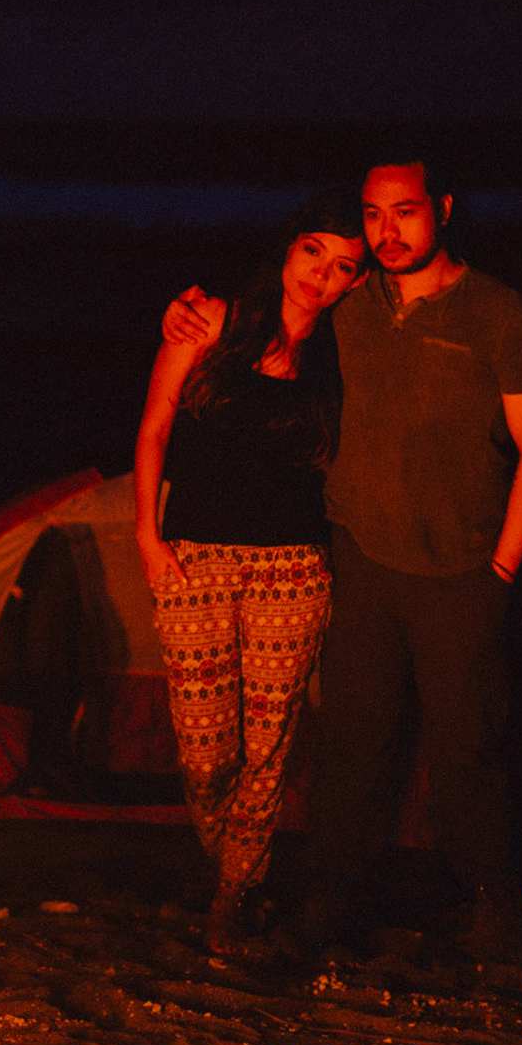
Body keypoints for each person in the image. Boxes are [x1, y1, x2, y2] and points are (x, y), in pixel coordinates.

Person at [166, 147, 522, 961]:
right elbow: (278, 310)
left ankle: (496, 909)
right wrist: (195, 312)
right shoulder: (353, 300)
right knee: (354, 743)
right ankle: (327, 904)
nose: (386, 231)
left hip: (462, 566)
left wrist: (504, 568)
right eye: (374, 216)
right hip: (363, 558)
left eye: (405, 212)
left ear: (442, 208)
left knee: (466, 747)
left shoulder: (500, 316)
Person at [134, 190, 367, 953]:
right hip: (195, 557)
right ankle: (228, 868)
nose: (321, 276)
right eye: (313, 253)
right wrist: (146, 534)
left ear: (354, 283)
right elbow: (156, 425)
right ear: (288, 249)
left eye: (342, 267)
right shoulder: (213, 323)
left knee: (268, 747)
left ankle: (235, 897)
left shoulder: (345, 357)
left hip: (292, 569)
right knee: (206, 752)